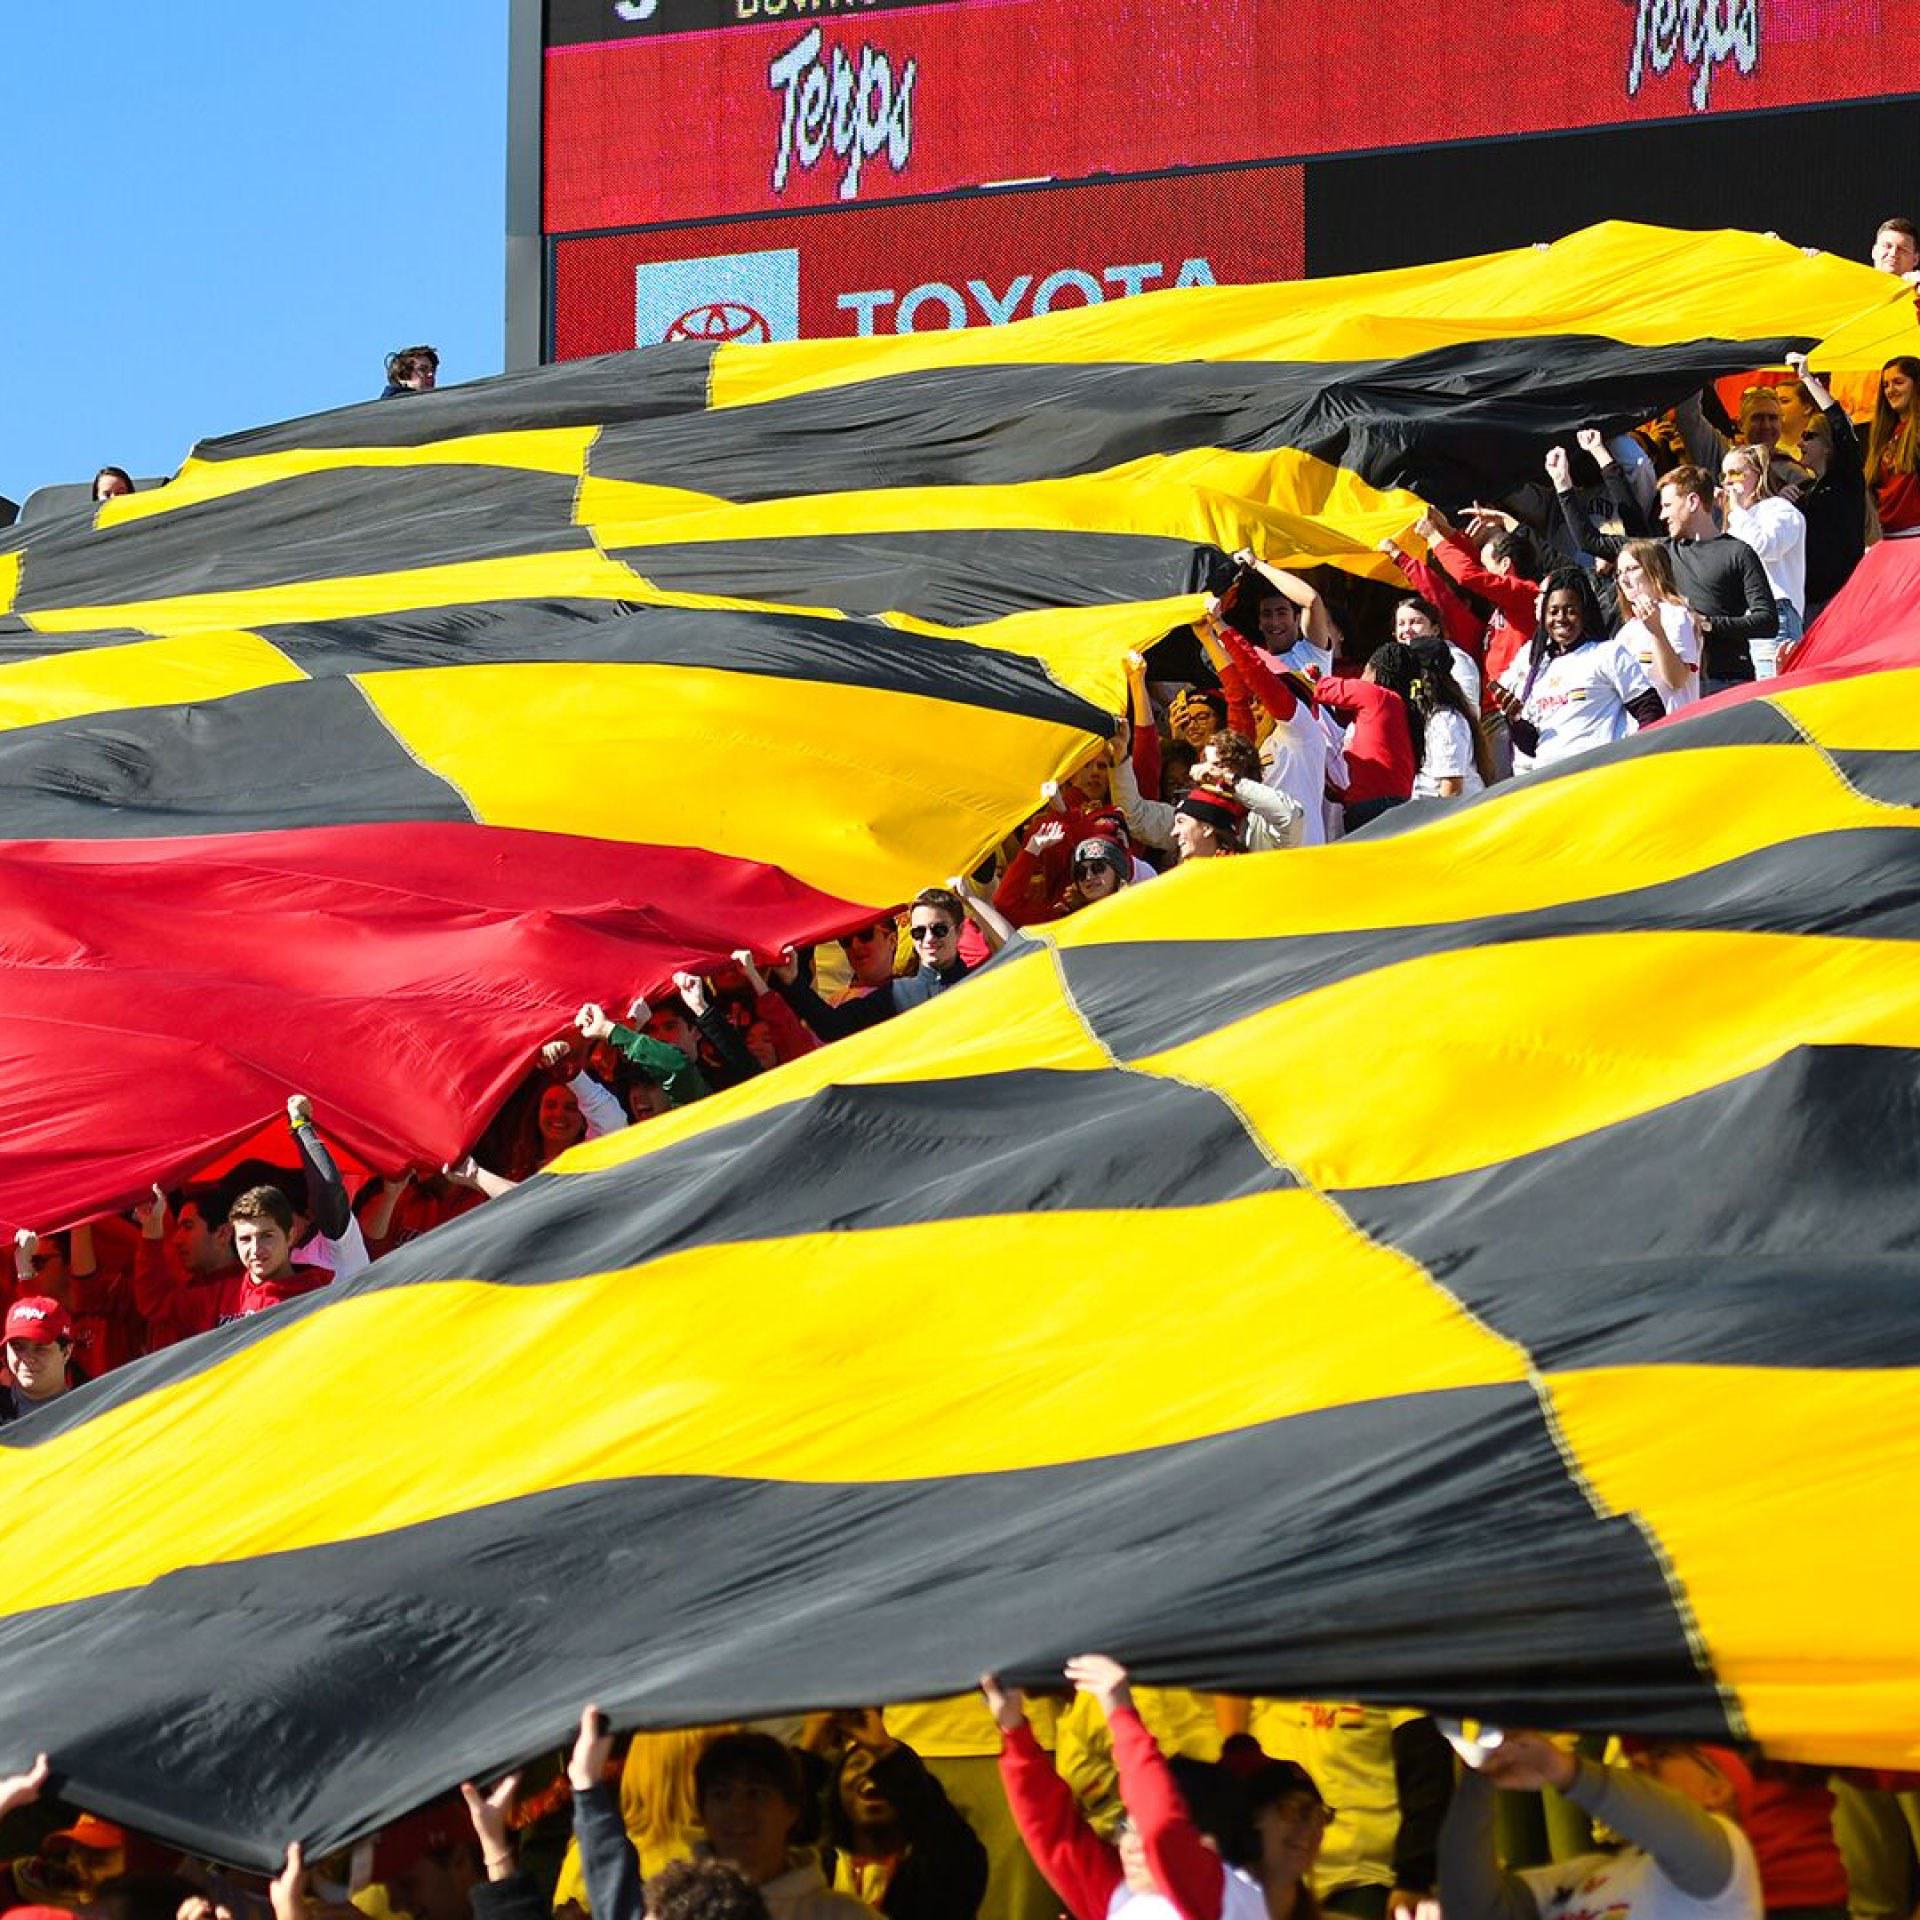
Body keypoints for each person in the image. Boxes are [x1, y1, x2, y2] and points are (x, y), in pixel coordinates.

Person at [986, 1658, 1268, 1920]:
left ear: (1207, 1846)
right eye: (1125, 1827)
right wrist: (1015, 1732)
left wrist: (1120, 1711)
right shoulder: (1124, 1899)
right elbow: (1055, 1835)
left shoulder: (1224, 1897)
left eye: (1138, 1829)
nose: (1129, 1845)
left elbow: (1160, 1825)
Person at [1437, 1732, 1762, 1920]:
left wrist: (1564, 1769)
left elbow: (1670, 1824)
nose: (1637, 1761)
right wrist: (1480, 1778)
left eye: (1663, 1754)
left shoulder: (1729, 1864)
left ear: (1716, 1789)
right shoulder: (1591, 1871)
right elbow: (1473, 1910)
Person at [1551, 451, 1776, 692]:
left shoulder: (1738, 552)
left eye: (1668, 505)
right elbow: (1590, 541)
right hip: (1677, 682)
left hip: (1727, 680)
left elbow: (1767, 621)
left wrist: (1708, 624)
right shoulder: (1660, 551)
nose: (1662, 515)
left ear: (1693, 502)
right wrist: (1563, 485)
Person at [809, 1709, 989, 1920]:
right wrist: (810, 1749)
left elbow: (943, 1825)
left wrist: (884, 1749)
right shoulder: (815, 1870)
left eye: (885, 1768)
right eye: (858, 1763)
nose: (872, 1772)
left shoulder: (941, 1868)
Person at [772, 885, 1010, 1042]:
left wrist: (970, 896)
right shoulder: (897, 994)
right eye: (918, 932)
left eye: (938, 930)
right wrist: (793, 983)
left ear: (958, 933)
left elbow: (1021, 949)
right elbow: (833, 1027)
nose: (928, 939)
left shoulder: (979, 984)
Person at [1491, 566, 1666, 771]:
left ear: (1585, 614)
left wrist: (1638, 761)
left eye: (1571, 611)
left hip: (1600, 777)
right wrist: (1515, 720)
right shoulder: (1539, 669)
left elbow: (1651, 710)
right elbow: (1533, 747)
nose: (1561, 619)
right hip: (1550, 782)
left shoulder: (1607, 653)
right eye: (1553, 611)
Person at [691, 1730, 877, 1920]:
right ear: (702, 1811)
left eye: (756, 1793)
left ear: (792, 1809)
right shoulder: (675, 1911)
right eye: (721, 1795)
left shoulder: (845, 1915)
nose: (738, 1810)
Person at [1111, 723, 1302, 857]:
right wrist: (1119, 759)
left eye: (1218, 765)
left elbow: (1290, 815)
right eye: (1206, 764)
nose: (1207, 771)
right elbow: (1135, 816)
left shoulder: (1263, 821)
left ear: (1242, 769)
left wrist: (1226, 780)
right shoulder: (1193, 818)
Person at [1781, 355, 1868, 622]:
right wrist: (1783, 502)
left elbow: (1840, 424)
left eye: (1809, 436)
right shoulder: (1805, 489)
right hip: (1807, 601)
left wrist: (1807, 379)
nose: (1800, 442)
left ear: (1829, 444)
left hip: (1841, 600)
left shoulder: (1845, 480)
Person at [1719, 445, 1806, 674]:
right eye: (1724, 475)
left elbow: (1766, 547)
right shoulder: (1739, 520)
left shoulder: (1779, 510)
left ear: (1758, 474)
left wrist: (1736, 509)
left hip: (1776, 613)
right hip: (1747, 618)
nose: (1728, 481)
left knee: (1773, 689)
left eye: (1735, 473)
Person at [1314, 647, 1421, 829]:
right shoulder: (1407, 711)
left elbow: (1319, 688)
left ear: (1374, 672)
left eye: (1364, 672)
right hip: (1401, 803)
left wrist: (1312, 673)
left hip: (1369, 807)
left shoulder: (1376, 695)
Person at [1613, 541, 1701, 714]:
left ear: (1655, 570)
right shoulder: (1626, 631)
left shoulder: (1677, 615)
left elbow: (1676, 680)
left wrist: (1656, 632)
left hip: (1674, 727)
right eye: (1619, 572)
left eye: (1632, 569)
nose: (1624, 579)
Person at [1227, 549, 1344, 676]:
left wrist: (1257, 565)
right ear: (1259, 623)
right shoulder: (1253, 662)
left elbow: (1311, 600)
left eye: (1282, 613)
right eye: (1267, 614)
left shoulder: (1312, 650)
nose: (1274, 622)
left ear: (1297, 619)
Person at [1863, 356, 1920, 536]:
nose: (1890, 390)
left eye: (1898, 382)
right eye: (1885, 385)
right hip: (1885, 535)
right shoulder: (1884, 434)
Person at [2, 1296, 76, 1420]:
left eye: (40, 1348)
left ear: (66, 1352)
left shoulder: (90, 1414)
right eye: (17, 1347)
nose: (27, 1358)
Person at [1870, 216, 1920, 284]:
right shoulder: (1854, 285)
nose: (1893, 253)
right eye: (1887, 246)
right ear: (1874, 251)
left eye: (1902, 249)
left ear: (1915, 259)